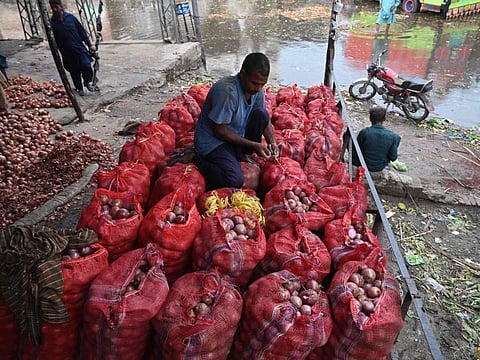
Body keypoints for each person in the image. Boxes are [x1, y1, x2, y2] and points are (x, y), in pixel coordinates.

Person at [193, 52, 279, 190]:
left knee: (261, 114)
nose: (257, 88)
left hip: (235, 136)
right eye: (254, 83)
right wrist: (254, 145)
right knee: (234, 180)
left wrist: (273, 142)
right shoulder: (227, 92)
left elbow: (265, 119)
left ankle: (238, 154)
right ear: (242, 73)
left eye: (262, 84)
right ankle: (197, 159)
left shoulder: (257, 91)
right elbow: (219, 131)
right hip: (214, 142)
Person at [49, 0, 97, 96]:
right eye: (53, 7)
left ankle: (87, 82)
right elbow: (52, 41)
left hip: (79, 48)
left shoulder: (71, 18)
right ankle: (79, 88)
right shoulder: (52, 23)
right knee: (74, 71)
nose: (55, 9)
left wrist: (90, 44)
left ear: (61, 6)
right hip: (67, 53)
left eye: (56, 7)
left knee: (86, 65)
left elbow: (82, 32)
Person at [352, 106, 407, 172]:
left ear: (370, 118)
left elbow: (355, 150)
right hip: (379, 166)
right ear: (384, 119)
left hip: (362, 163)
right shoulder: (393, 136)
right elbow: (393, 157)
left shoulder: (364, 132)